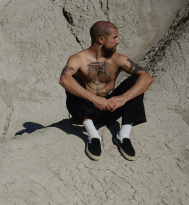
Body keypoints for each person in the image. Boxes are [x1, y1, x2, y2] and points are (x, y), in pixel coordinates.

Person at [58, 21, 153, 161]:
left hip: (110, 108)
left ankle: (123, 136)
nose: (118, 41)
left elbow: (147, 78)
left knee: (136, 80)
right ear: (101, 40)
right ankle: (93, 136)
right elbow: (64, 80)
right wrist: (95, 99)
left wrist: (123, 98)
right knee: (73, 80)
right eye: (114, 37)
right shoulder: (78, 59)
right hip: (85, 110)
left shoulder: (118, 59)